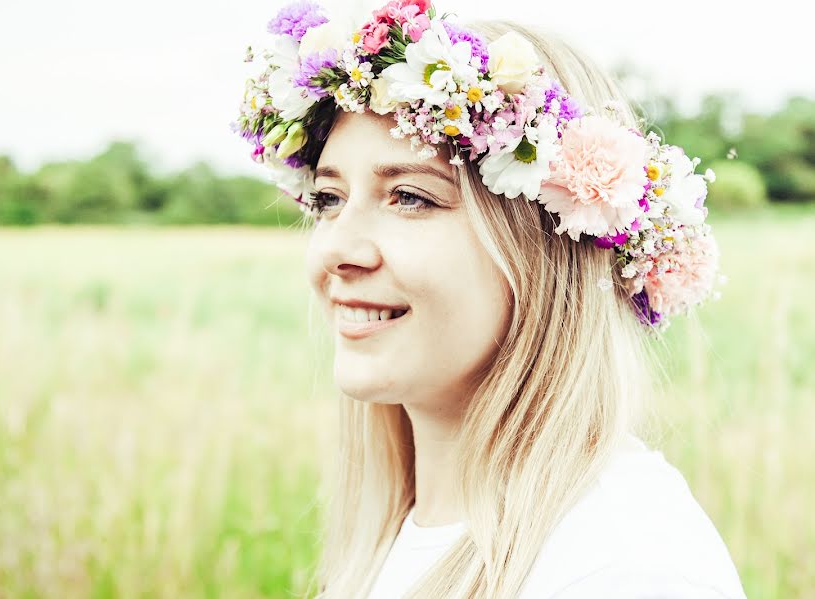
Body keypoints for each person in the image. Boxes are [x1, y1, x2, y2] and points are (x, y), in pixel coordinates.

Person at [235, 2, 747, 597]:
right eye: (329, 200)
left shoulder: (620, 566)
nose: (335, 252)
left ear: (543, 247)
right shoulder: (398, 529)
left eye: (409, 197)